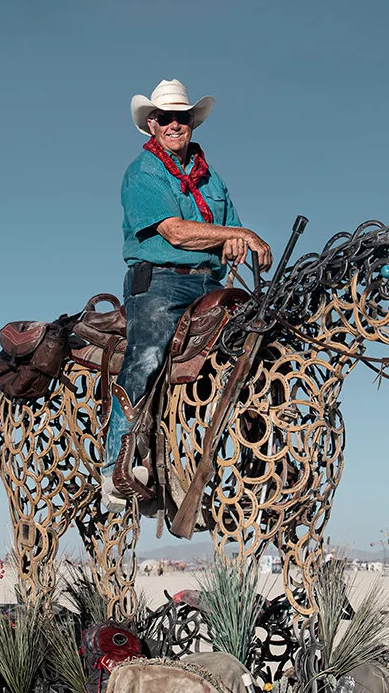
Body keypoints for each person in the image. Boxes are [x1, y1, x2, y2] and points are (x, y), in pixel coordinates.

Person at [102, 79, 272, 511]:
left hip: (208, 282)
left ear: (192, 123)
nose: (174, 124)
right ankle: (115, 466)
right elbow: (175, 232)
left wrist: (233, 242)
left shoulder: (212, 178)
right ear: (152, 124)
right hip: (159, 280)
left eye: (182, 117)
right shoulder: (142, 173)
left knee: (252, 349)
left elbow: (226, 232)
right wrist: (238, 234)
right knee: (146, 356)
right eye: (166, 118)